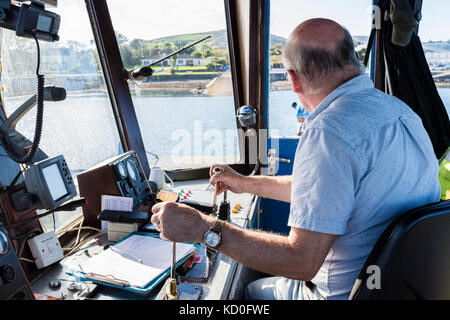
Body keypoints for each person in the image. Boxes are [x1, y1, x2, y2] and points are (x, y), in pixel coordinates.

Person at [150, 18, 440, 300]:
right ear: (353, 60)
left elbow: (300, 262)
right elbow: (322, 191)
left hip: (338, 294)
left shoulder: (329, 130)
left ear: (293, 79)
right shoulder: (402, 113)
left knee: (247, 290)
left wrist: (202, 228)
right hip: (396, 288)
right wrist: (244, 183)